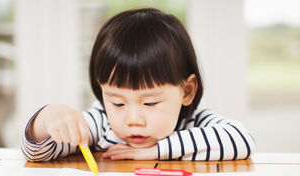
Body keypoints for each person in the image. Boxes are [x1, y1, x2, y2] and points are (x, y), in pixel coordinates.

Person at [21, 8, 256, 162]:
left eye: (150, 102)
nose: (133, 119)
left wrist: (154, 152)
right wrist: (46, 120)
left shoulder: (193, 122)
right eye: (118, 102)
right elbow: (37, 153)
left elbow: (242, 141)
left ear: (187, 91)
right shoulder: (102, 124)